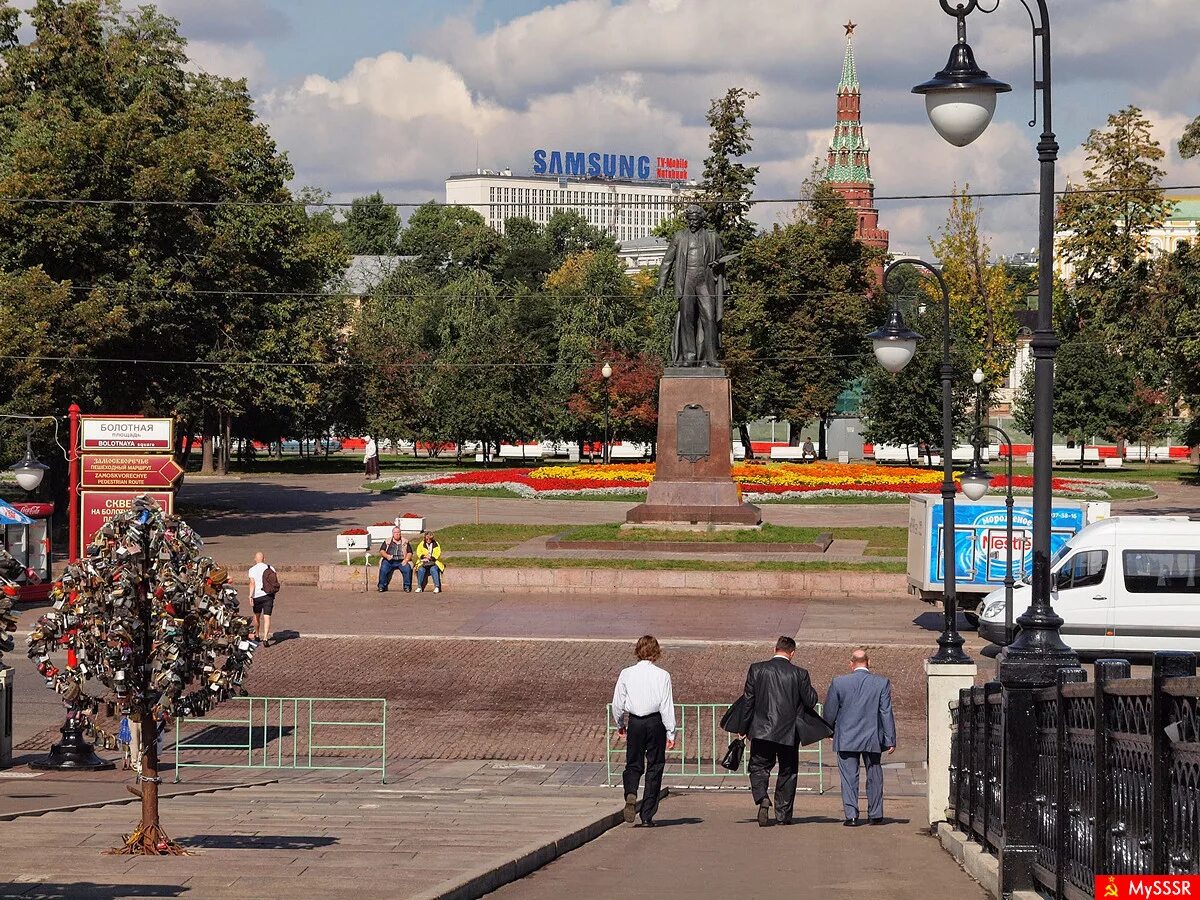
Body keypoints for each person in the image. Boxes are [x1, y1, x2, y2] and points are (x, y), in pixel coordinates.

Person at [739, 635, 819, 826]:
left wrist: (743, 728)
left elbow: (748, 701)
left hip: (761, 729)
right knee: (788, 771)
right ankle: (783, 815)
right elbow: (811, 701)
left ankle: (762, 797)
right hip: (789, 732)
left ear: (775, 649)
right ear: (792, 653)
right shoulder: (800, 673)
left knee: (759, 767)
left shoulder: (757, 669)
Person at [823, 648, 897, 827]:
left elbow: (830, 710)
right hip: (872, 735)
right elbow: (886, 712)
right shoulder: (881, 683)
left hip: (847, 736)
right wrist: (890, 738)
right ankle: (875, 814)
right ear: (868, 662)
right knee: (875, 774)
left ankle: (852, 815)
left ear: (851, 664)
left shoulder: (839, 682)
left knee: (849, 777)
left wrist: (829, 730)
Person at [611, 635, 676, 827]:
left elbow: (618, 703)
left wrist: (620, 724)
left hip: (636, 722)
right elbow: (666, 706)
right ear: (656, 653)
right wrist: (671, 733)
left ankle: (631, 792)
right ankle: (647, 814)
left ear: (637, 651)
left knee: (633, 763)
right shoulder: (662, 675)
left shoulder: (626, 673)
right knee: (655, 766)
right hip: (655, 722)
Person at [657, 203, 729, 368]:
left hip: (705, 281)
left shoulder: (712, 237)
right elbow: (667, 260)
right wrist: (662, 282)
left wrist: (718, 265)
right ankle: (689, 356)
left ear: (701, 220)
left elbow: (721, 261)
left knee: (709, 318)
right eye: (690, 220)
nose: (693, 223)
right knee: (687, 319)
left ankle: (711, 357)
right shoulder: (679, 237)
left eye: (696, 220)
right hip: (686, 280)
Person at [246, 551, 276, 646]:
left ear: (255, 559)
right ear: (264, 559)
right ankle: (266, 638)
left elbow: (252, 583)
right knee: (267, 617)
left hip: (257, 596)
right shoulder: (270, 568)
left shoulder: (252, 570)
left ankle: (257, 634)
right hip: (268, 595)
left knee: (257, 616)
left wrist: (250, 595)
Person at [377, 526, 413, 593]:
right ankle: (381, 586)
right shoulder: (387, 541)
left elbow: (410, 552)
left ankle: (407, 586)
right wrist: (387, 556)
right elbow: (382, 551)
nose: (397, 534)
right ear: (392, 533)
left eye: (398, 532)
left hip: (401, 560)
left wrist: (406, 560)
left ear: (400, 533)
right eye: (395, 532)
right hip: (389, 560)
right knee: (383, 569)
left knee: (407, 569)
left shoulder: (405, 541)